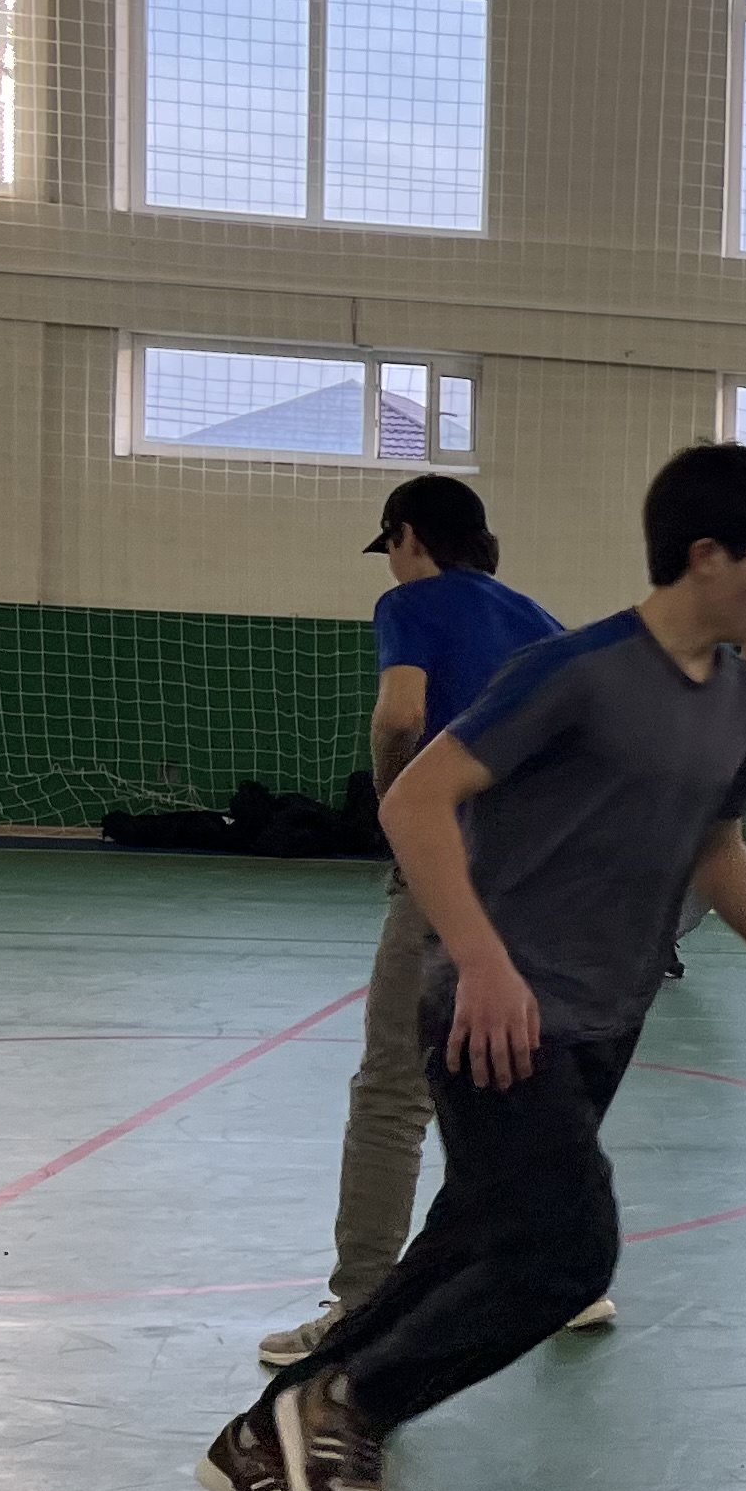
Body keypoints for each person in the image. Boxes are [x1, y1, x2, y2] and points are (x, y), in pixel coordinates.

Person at [201, 443, 746, 1491]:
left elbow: (716, 842)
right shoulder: (576, 671)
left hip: (607, 1015)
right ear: (705, 556)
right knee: (566, 1253)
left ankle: (275, 1427)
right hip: (494, 1014)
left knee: (470, 1237)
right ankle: (351, 1410)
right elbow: (415, 803)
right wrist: (484, 963)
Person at [258, 474, 564, 1373]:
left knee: (394, 1086)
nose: (391, 561)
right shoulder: (541, 622)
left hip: (449, 873)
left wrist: (401, 808)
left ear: (408, 537)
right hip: (536, 882)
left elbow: (401, 715)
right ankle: (561, 1276)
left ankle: (360, 1306)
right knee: (516, 1078)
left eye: (390, 544)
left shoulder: (411, 604)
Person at [663, 609, 746, 978]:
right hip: (683, 793)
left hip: (727, 798)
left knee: (712, 879)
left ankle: (662, 941)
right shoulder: (709, 676)